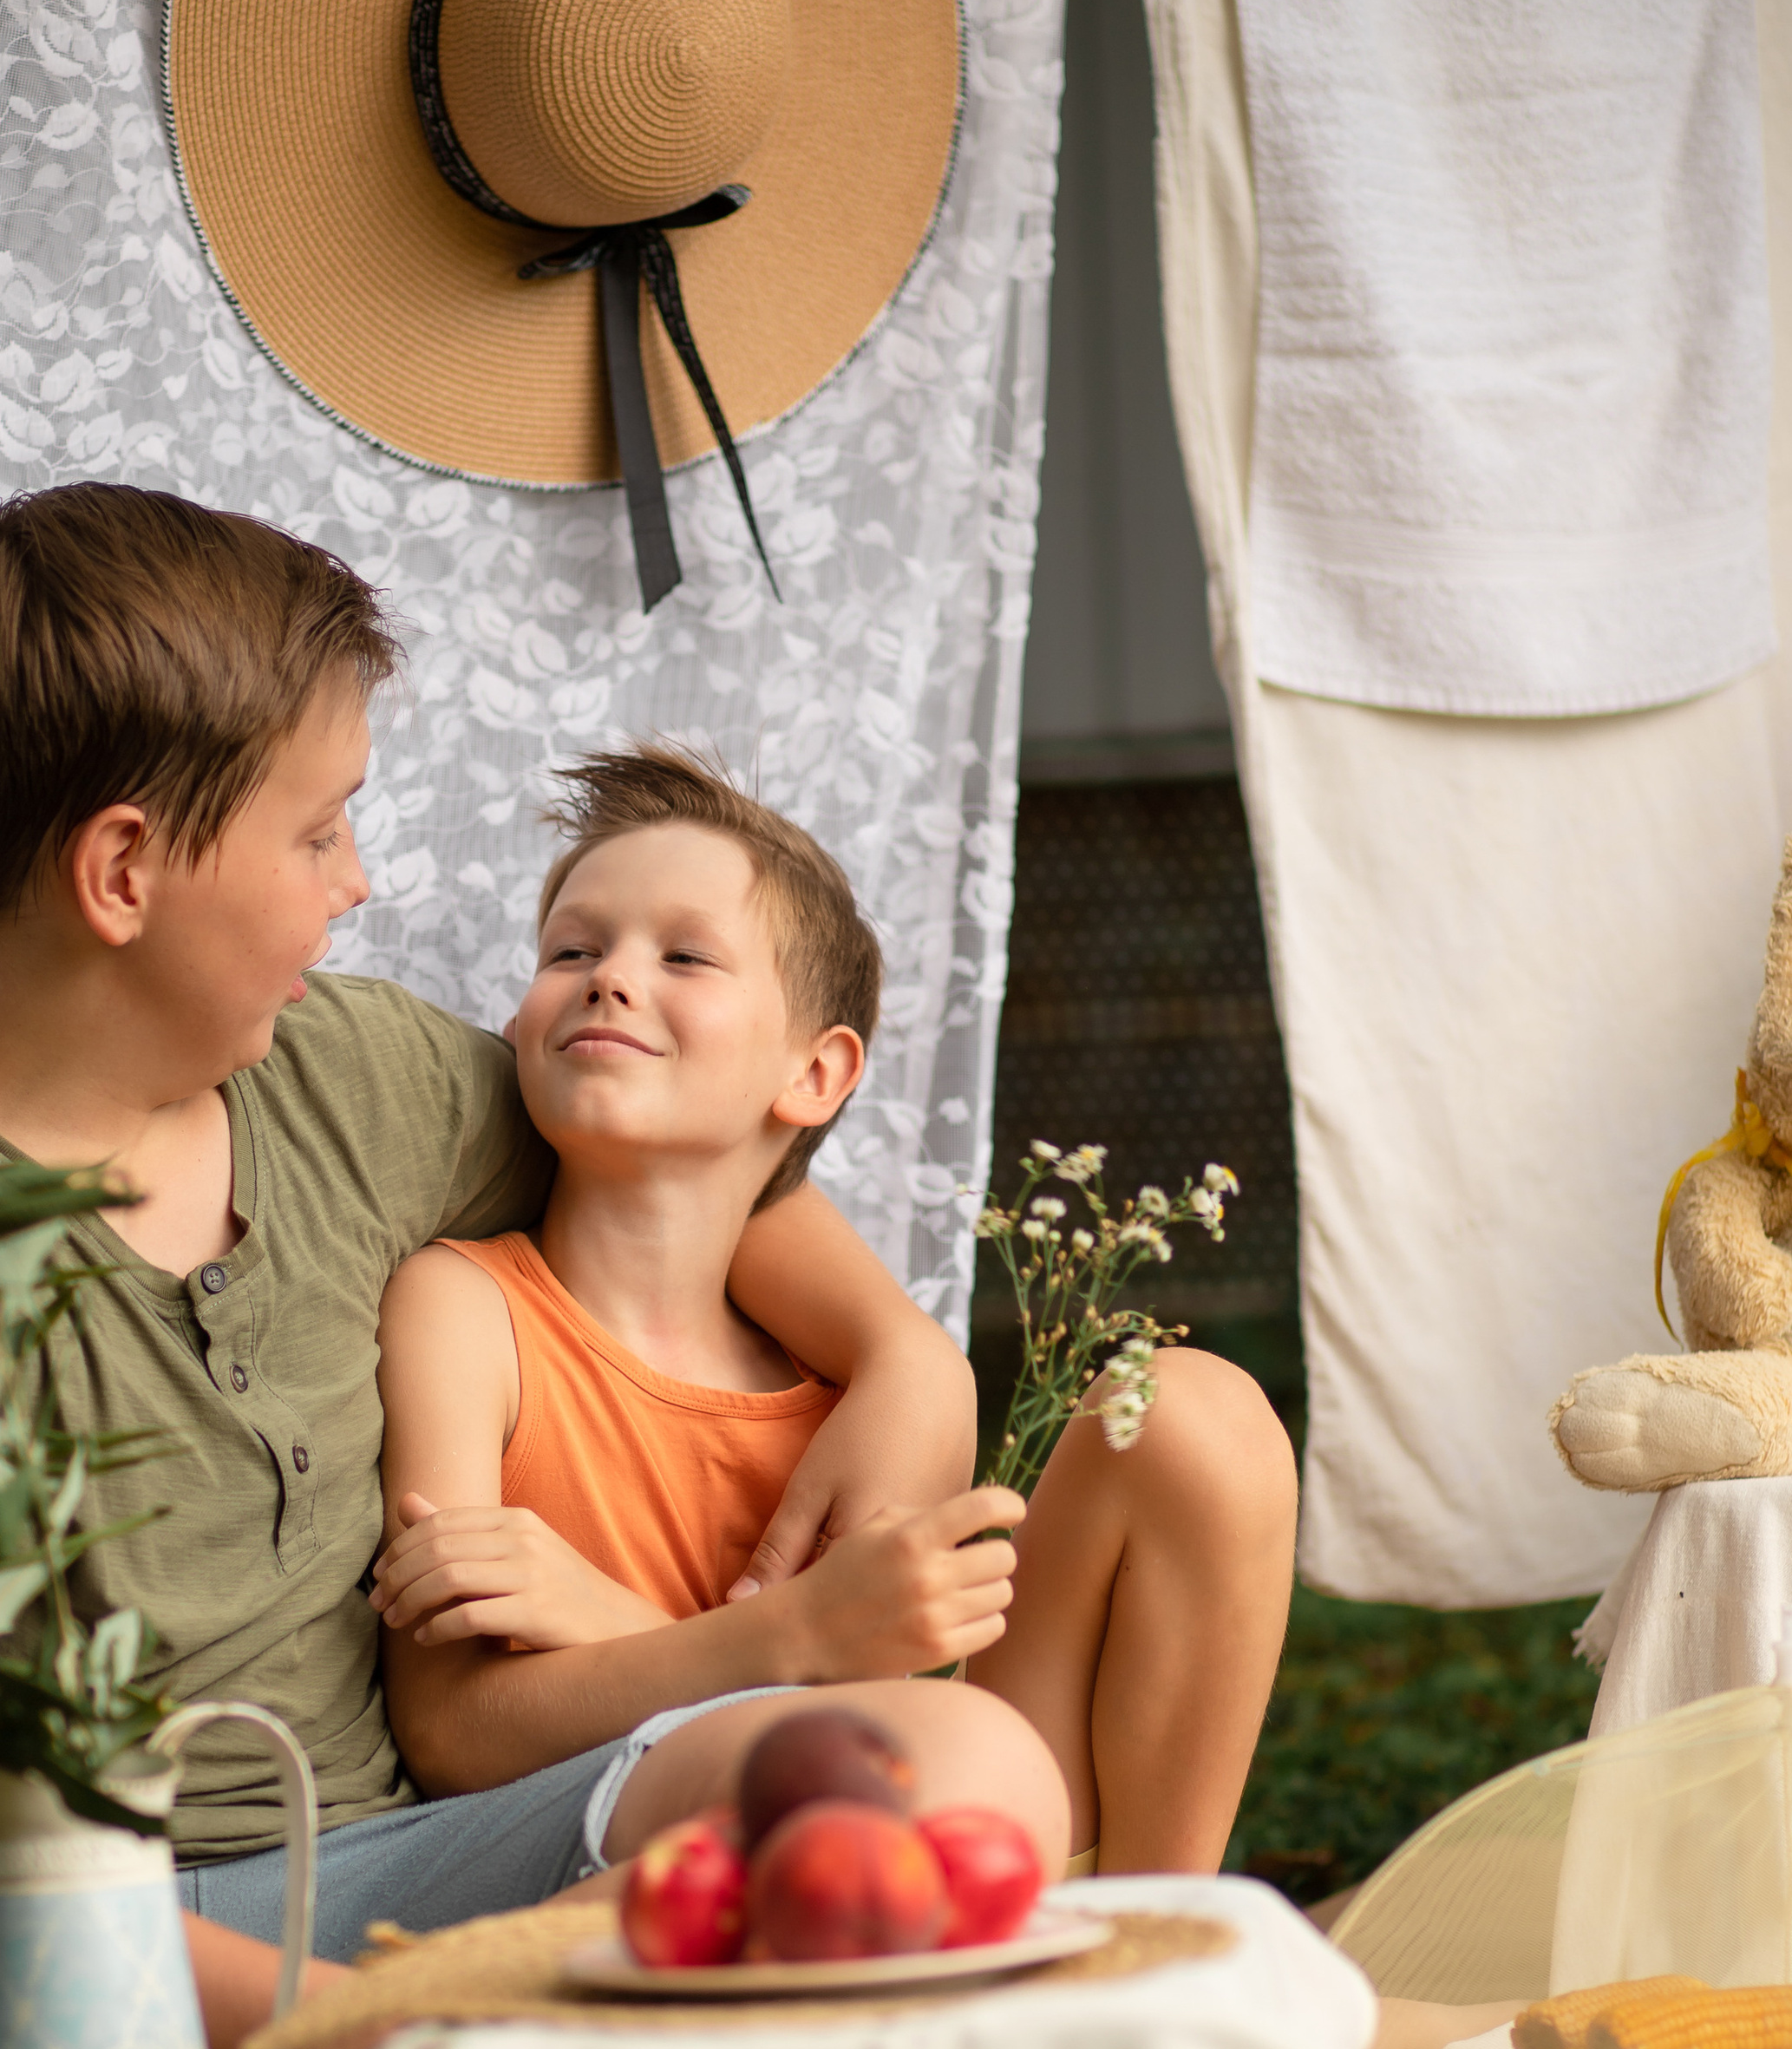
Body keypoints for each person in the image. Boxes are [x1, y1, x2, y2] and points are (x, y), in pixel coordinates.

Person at [0, 488, 1010, 2049]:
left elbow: (677, 1150)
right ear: (124, 875)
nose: (359, 877)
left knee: (949, 1772)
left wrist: (906, 1350)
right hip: (34, 1940)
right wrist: (326, 2037)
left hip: (401, 1875)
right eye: (319, 826)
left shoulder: (348, 1078)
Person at [369, 747, 1298, 1868]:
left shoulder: (856, 1398)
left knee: (1195, 1411)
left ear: (815, 1074)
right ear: (518, 1027)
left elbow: (868, 1710)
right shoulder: (463, 1309)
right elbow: (451, 1733)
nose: (610, 976)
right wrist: (773, 1637)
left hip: (935, 1821)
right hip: (685, 1868)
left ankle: (1163, 1922)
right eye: (572, 949)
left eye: (685, 956)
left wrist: (620, 1623)